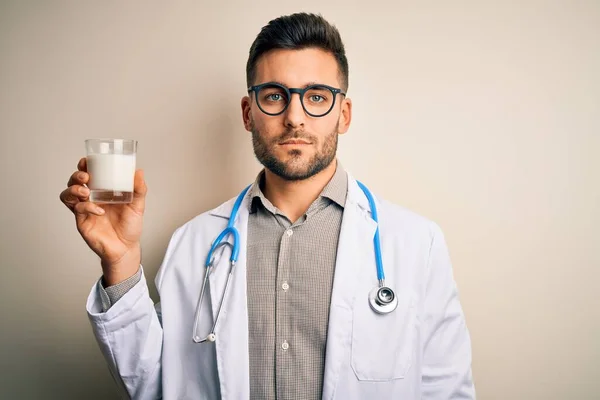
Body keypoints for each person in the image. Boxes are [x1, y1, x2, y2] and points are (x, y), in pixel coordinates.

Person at [60, 12, 475, 400]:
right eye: (275, 95)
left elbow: (446, 390)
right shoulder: (195, 243)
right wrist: (121, 261)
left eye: (316, 96)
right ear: (248, 112)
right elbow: (156, 387)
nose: (295, 117)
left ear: (343, 114)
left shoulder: (417, 244)